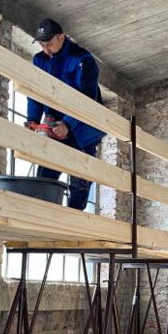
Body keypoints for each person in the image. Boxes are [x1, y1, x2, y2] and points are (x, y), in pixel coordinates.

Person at [25, 18, 105, 210]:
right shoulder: (39, 60)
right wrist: (32, 119)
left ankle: (75, 214)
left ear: (61, 37)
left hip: (83, 125)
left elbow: (86, 99)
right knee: (46, 172)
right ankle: (43, 212)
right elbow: (35, 93)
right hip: (54, 123)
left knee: (80, 175)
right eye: (42, 45)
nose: (46, 49)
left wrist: (68, 124)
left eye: (49, 44)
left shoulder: (83, 60)